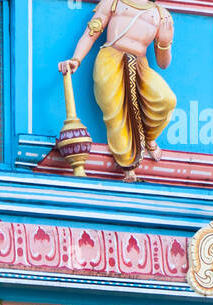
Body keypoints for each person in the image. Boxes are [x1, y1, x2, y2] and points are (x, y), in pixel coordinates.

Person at [59, 0, 176, 180]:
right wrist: (76, 60)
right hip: (110, 60)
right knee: (116, 113)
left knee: (166, 100)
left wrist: (165, 43)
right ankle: (129, 168)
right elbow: (90, 34)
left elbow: (163, 64)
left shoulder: (162, 15)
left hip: (140, 64)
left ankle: (148, 136)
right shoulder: (113, 2)